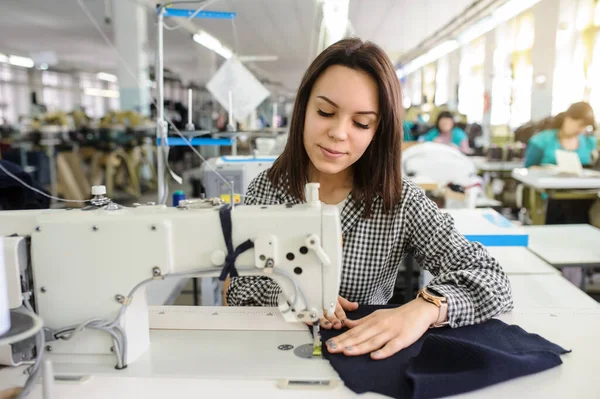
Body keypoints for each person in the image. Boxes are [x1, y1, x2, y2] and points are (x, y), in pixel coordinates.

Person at [226, 38, 513, 360]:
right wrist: (295, 292)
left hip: (365, 357)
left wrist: (423, 308)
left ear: (378, 130)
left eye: (361, 123)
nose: (338, 132)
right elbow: (238, 290)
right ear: (303, 109)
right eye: (324, 112)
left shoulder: (399, 201)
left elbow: (492, 278)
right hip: (270, 351)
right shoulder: (268, 189)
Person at [524, 102, 596, 168]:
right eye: (580, 125)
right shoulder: (541, 140)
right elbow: (528, 168)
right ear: (567, 118)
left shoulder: (588, 142)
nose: (582, 130)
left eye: (585, 126)